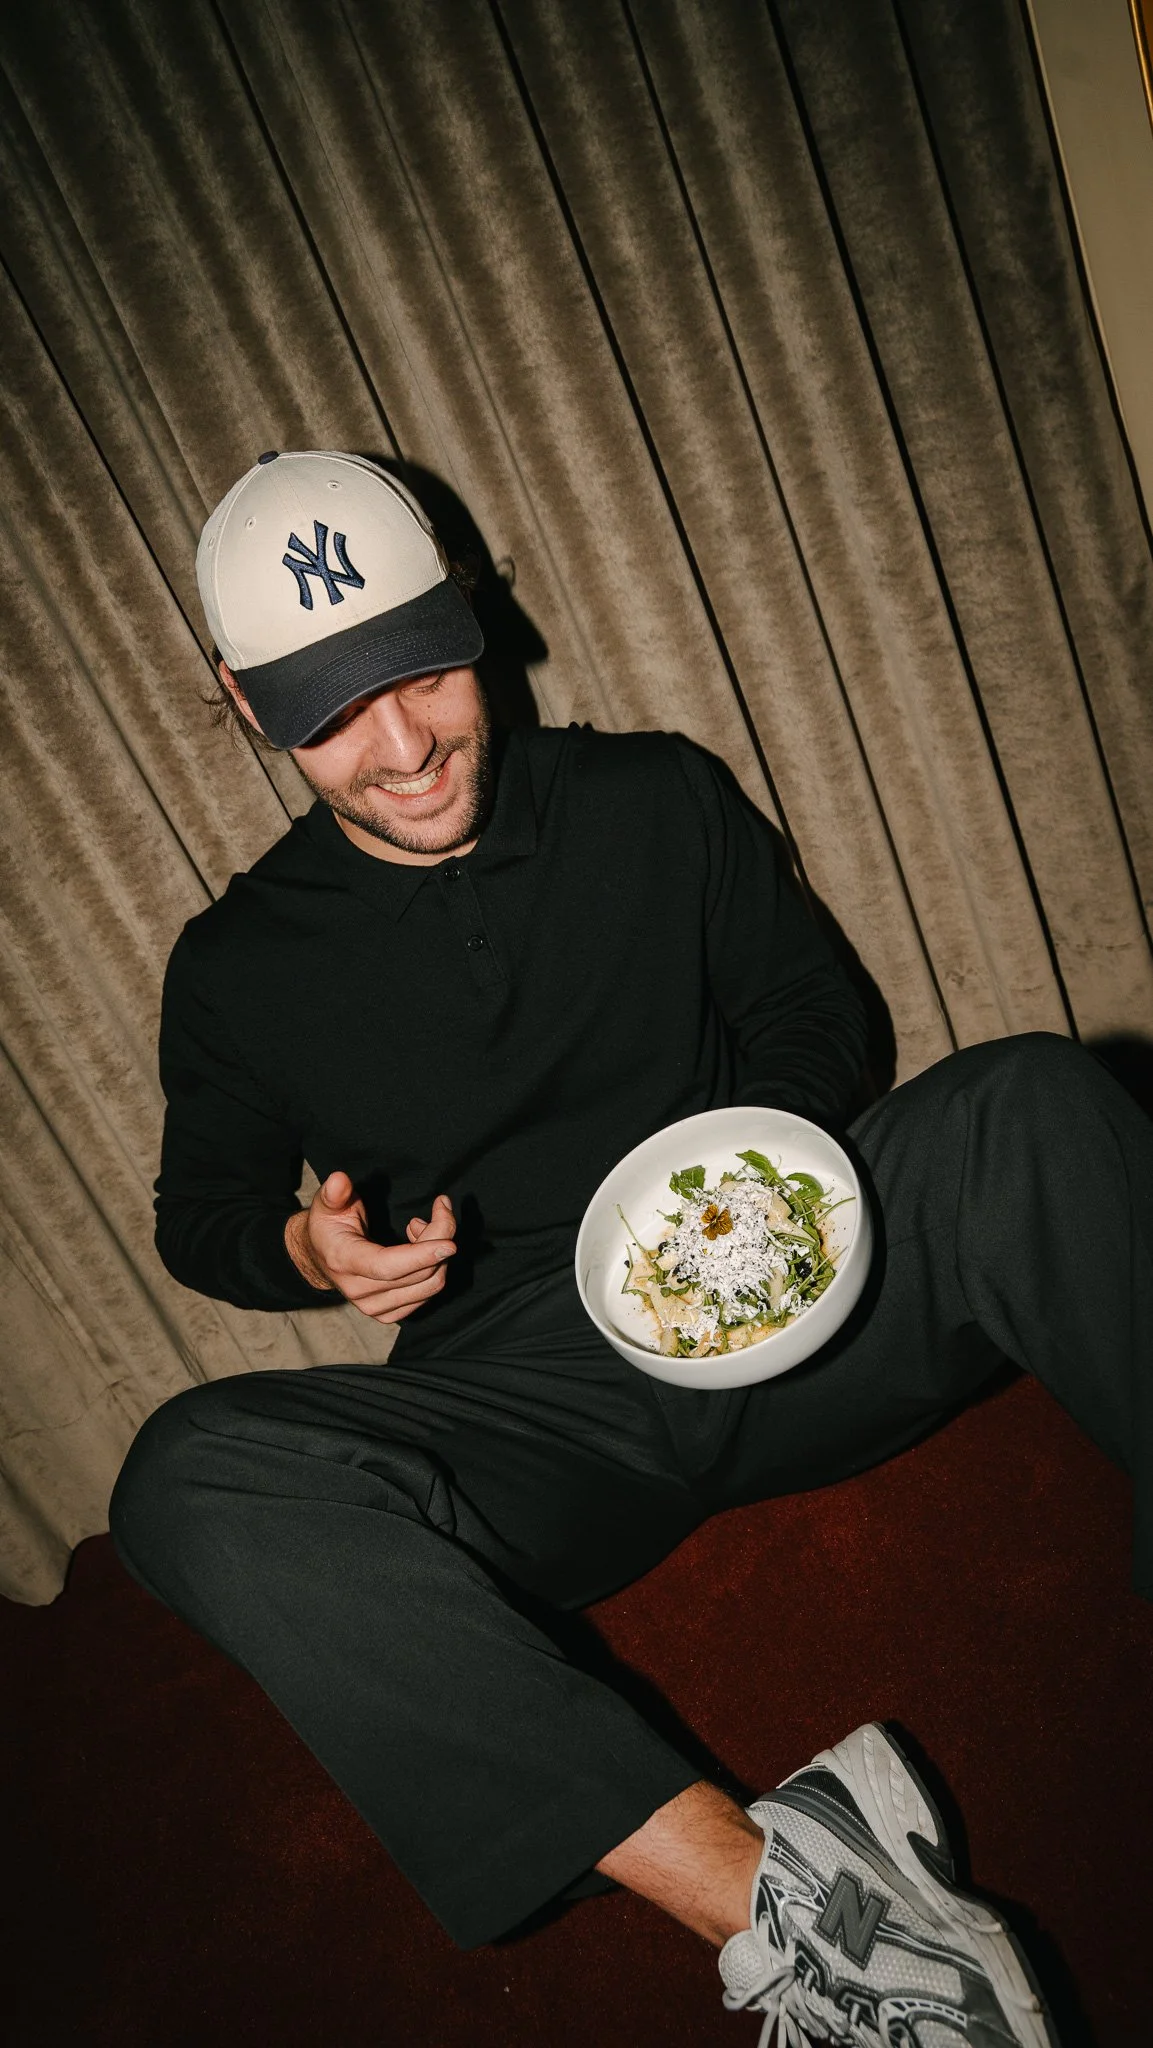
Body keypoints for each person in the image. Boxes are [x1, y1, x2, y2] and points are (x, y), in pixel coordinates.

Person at [109, 450, 1151, 2048]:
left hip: (796, 1295)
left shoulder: (654, 794)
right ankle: (796, 1909)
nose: (402, 748)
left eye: (421, 673)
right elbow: (205, 1221)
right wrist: (309, 1258)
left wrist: (750, 1179)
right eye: (330, 713)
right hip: (538, 1412)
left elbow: (817, 1014)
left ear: (476, 621)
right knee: (186, 1473)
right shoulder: (232, 968)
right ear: (245, 709)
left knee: (1032, 1097)